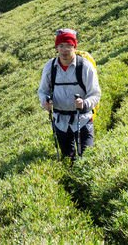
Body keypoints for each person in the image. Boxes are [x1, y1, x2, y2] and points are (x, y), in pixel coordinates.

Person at [38, 28, 101, 160]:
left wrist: (84, 104)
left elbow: (95, 93)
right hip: (60, 121)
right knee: (68, 157)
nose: (64, 50)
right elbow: (43, 90)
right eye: (61, 46)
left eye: (68, 46)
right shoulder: (50, 67)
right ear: (56, 47)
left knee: (87, 158)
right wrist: (45, 101)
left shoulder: (85, 66)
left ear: (74, 46)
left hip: (82, 119)